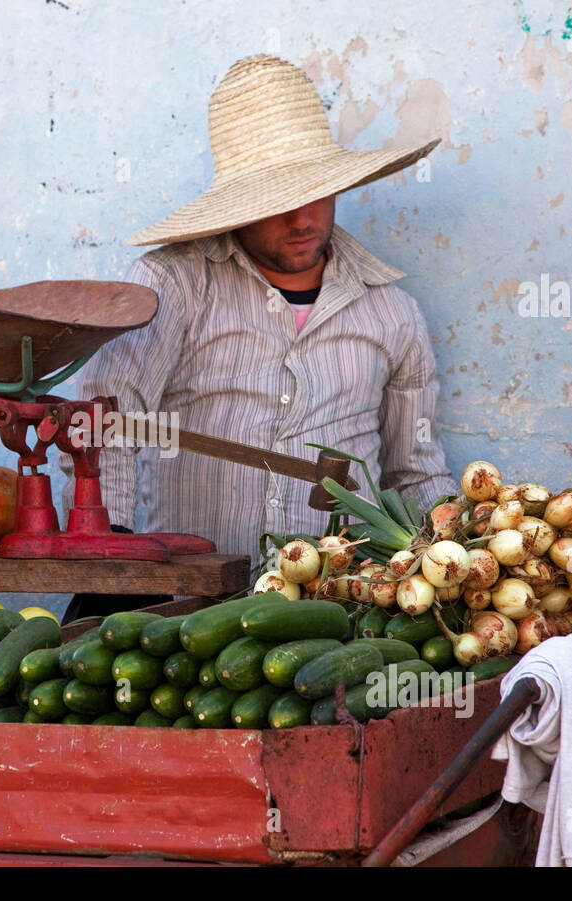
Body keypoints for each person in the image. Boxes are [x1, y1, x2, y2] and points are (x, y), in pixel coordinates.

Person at [60, 54, 460, 623]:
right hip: (185, 618)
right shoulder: (172, 286)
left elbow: (414, 472)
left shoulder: (391, 313)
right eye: (276, 201)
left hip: (338, 621)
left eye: (316, 191)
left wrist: (461, 559)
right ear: (238, 206)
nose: (301, 218)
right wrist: (115, 571)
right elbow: (105, 427)